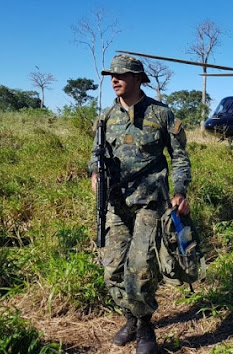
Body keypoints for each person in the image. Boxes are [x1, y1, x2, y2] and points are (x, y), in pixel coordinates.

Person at [89, 54, 191, 353]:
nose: (114, 80)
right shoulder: (106, 118)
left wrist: (180, 191)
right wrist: (95, 173)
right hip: (115, 205)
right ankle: (130, 318)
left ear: (138, 79)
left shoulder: (161, 114)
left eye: (121, 75)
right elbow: (95, 154)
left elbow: (180, 157)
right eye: (112, 75)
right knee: (113, 270)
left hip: (150, 203)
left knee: (140, 268)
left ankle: (146, 327)